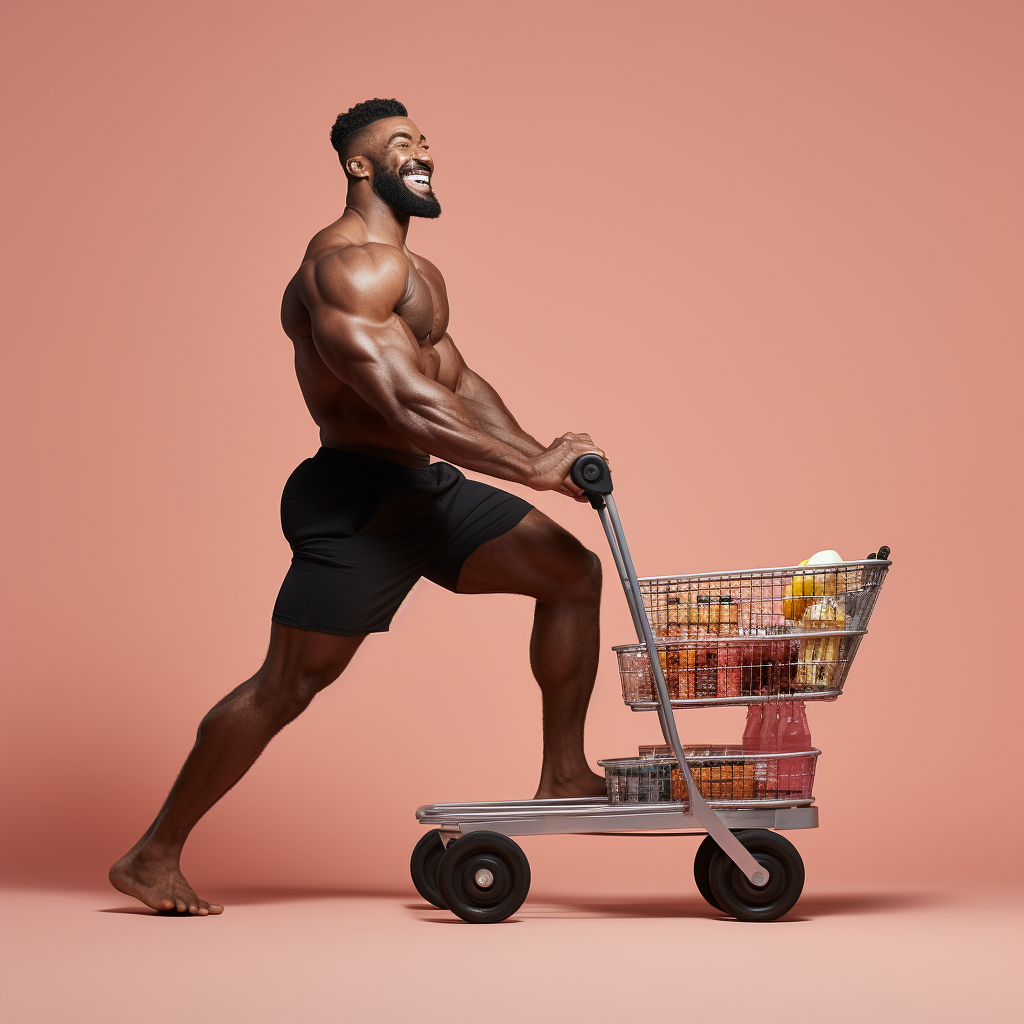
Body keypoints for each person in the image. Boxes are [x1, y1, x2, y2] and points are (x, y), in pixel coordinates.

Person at [110, 99, 606, 915]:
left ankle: (563, 769)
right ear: (358, 166)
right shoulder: (342, 267)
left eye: (426, 141)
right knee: (286, 687)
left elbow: (457, 382)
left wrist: (541, 450)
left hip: (425, 490)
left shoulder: (416, 273)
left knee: (570, 573)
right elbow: (407, 405)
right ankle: (151, 853)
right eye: (401, 143)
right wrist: (531, 469)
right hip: (356, 501)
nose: (424, 152)